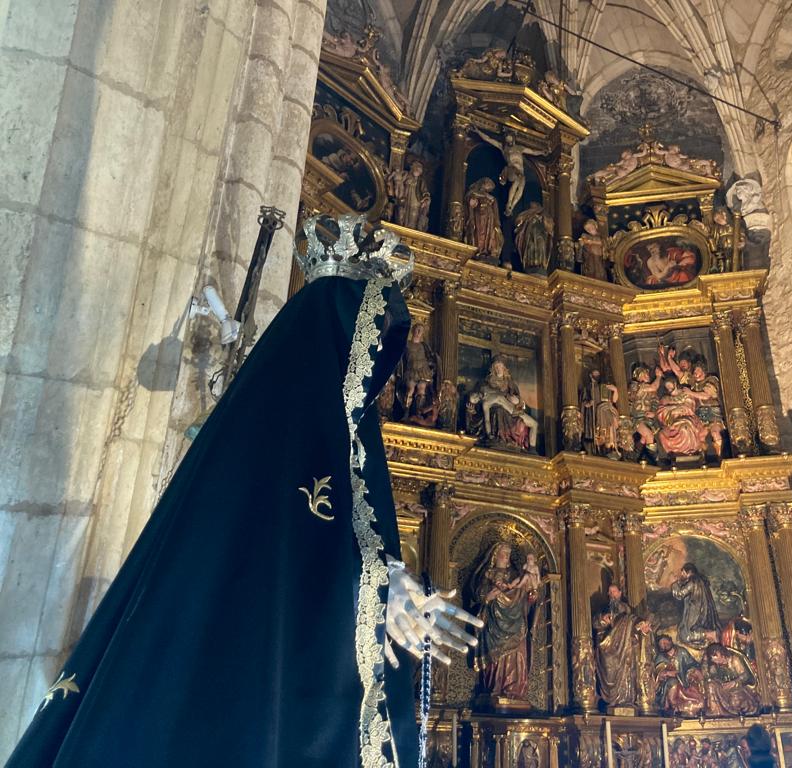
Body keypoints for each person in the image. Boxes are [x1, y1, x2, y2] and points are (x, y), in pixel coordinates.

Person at [5, 218, 482, 768]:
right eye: (370, 341)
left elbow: (324, 544)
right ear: (342, 337)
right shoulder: (279, 420)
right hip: (234, 677)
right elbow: (280, 550)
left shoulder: (344, 430)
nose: (377, 367)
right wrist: (377, 587)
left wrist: (387, 586)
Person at [469, 543, 537, 701]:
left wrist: (531, 595)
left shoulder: (516, 574)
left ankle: (515, 690)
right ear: (495, 555)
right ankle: (495, 688)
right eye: (503, 553)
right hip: (494, 622)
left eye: (508, 553)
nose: (506, 556)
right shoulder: (487, 574)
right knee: (497, 658)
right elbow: (478, 594)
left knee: (517, 653)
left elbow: (526, 597)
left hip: (516, 621)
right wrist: (488, 597)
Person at [472, 128, 544, 215]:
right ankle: (509, 203)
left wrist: (542, 152)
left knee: (521, 186)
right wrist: (478, 131)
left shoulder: (520, 148)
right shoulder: (503, 148)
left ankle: (511, 206)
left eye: (510, 140)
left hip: (520, 172)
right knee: (517, 180)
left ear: (513, 139)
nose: (509, 142)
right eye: (507, 140)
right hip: (511, 169)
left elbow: (533, 152)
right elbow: (488, 139)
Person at [481, 357, 538, 451]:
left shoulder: (511, 384)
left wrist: (518, 401)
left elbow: (521, 404)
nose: (498, 369)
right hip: (496, 409)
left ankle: (530, 449)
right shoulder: (487, 383)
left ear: (504, 368)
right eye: (496, 367)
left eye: (500, 366)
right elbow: (484, 398)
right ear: (493, 369)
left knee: (528, 423)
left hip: (513, 410)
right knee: (500, 412)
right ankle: (502, 439)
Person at [671, 562, 720, 645]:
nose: (682, 575)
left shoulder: (692, 583)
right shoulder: (700, 581)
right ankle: (708, 635)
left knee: (685, 634)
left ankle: (709, 635)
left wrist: (675, 584)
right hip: (703, 611)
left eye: (683, 573)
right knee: (685, 631)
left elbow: (679, 594)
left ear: (689, 572)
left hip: (695, 613)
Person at [464, 177, 504, 263]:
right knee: (480, 232)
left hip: (490, 217)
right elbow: (471, 205)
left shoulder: (492, 198)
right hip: (479, 215)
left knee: (489, 233)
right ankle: (480, 250)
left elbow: (495, 210)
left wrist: (496, 221)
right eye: (489, 184)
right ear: (483, 184)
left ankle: (486, 250)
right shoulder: (474, 193)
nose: (490, 187)